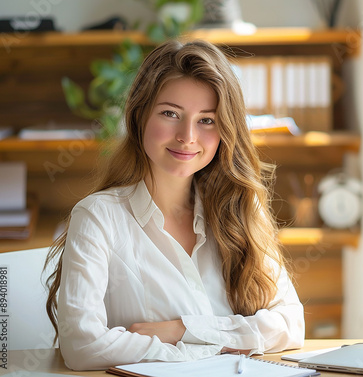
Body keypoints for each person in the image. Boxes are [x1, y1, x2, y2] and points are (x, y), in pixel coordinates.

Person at [44, 39, 304, 371]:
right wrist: (204, 349)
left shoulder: (239, 208)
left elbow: (291, 325)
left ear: (225, 129)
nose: (187, 136)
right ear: (139, 117)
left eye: (207, 120)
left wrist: (183, 329)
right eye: (170, 113)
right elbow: (82, 346)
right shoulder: (98, 218)